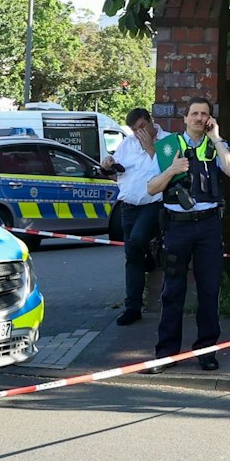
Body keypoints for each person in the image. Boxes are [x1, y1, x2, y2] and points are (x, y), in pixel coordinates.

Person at [146, 97, 230, 369]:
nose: (199, 118)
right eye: (195, 114)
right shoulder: (168, 147)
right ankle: (167, 353)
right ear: (185, 118)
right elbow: (151, 188)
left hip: (209, 226)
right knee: (172, 290)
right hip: (177, 225)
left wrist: (218, 138)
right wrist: (173, 170)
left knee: (209, 290)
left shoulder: (216, 146)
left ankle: (206, 351)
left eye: (205, 114)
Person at [101, 108, 167, 326]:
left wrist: (151, 149)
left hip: (153, 204)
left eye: (142, 127)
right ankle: (133, 307)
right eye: (134, 130)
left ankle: (150, 254)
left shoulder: (166, 141)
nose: (139, 133)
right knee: (132, 256)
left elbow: (168, 171)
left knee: (138, 239)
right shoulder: (127, 144)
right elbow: (118, 171)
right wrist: (109, 164)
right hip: (129, 204)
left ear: (150, 121)